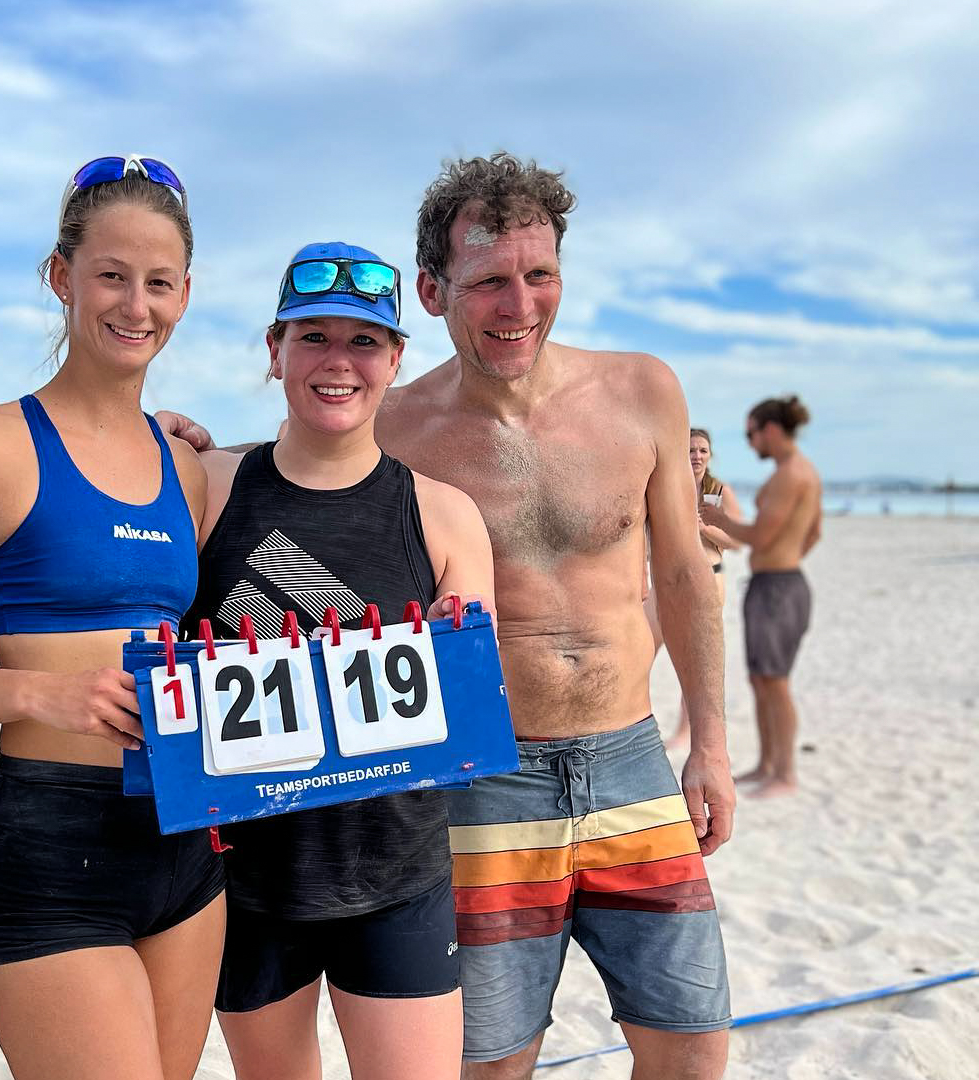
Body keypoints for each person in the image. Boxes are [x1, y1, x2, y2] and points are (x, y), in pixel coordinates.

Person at [160, 152, 735, 1080]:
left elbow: (681, 572)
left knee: (693, 1043)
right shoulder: (397, 423)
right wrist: (183, 446)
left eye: (539, 274)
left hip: (631, 754)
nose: (520, 303)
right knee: (494, 1056)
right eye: (489, 281)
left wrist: (710, 744)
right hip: (486, 781)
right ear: (433, 292)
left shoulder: (643, 392)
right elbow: (304, 465)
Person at [0, 155, 223, 1080]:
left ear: (186, 294)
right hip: (53, 839)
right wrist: (49, 695)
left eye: (159, 282)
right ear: (61, 276)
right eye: (111, 275)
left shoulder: (187, 468)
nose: (135, 305)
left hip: (187, 840)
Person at [184, 242, 495, 1080]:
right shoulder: (206, 486)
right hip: (245, 880)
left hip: (397, 873)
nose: (338, 361)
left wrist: (458, 655)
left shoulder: (444, 515)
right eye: (313, 336)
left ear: (395, 360)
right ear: (275, 350)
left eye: (363, 341)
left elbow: (468, 708)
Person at [702, 395, 821, 797]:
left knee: (775, 681)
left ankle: (784, 774)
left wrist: (719, 519)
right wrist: (786, 558)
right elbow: (814, 532)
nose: (750, 442)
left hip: (778, 588)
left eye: (750, 434)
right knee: (760, 679)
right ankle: (768, 764)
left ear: (770, 429)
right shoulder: (798, 471)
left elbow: (761, 536)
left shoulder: (791, 474)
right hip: (777, 583)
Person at [649, 428, 743, 749]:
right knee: (644, 648)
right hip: (666, 579)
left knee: (695, 659)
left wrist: (704, 529)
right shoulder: (667, 486)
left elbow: (737, 541)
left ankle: (685, 731)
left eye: (702, 450)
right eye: (690, 450)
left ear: (711, 455)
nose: (696, 456)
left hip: (709, 578)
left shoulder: (719, 491)